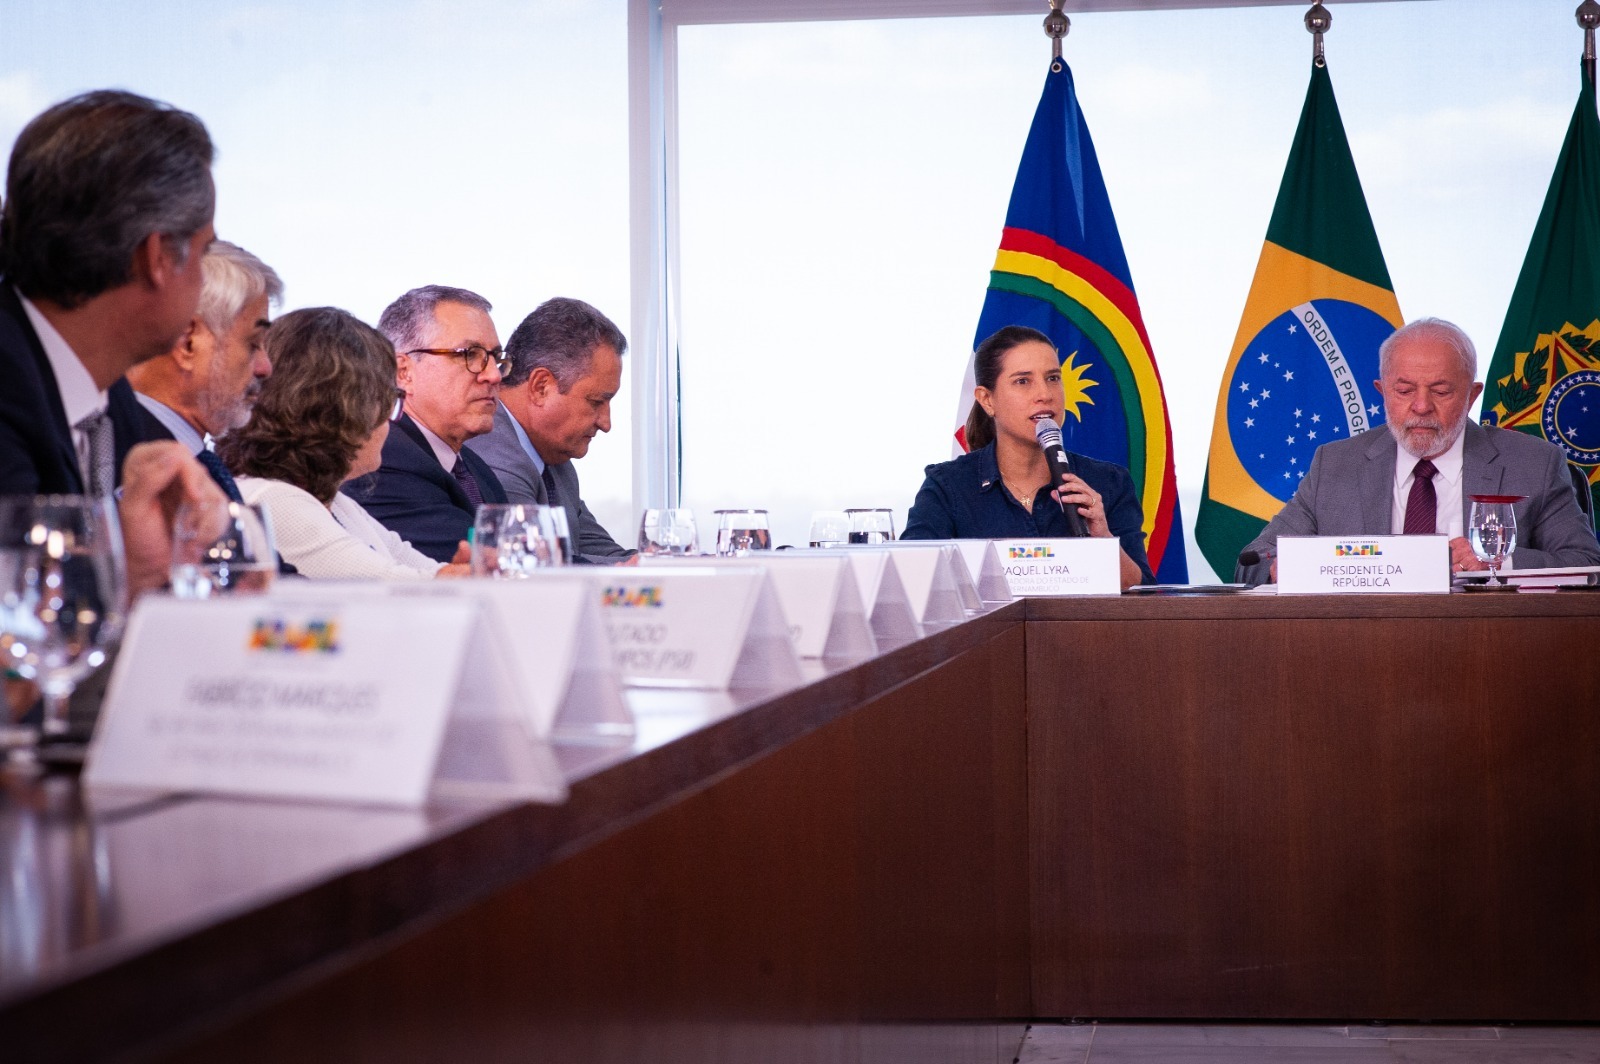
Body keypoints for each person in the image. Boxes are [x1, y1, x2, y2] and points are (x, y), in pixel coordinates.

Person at [0, 89, 222, 596]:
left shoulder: (110, 395)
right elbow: (21, 616)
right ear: (158, 257)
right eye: (204, 251)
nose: (203, 281)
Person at [1236, 317, 1600, 584]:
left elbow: (1587, 565)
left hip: (1485, 645)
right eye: (1404, 391)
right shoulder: (1334, 465)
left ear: (1472, 396)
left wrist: (1497, 561)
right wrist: (1289, 568)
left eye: (1441, 391)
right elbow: (1251, 563)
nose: (1421, 406)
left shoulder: (1534, 464)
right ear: (1382, 392)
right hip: (1362, 645)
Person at [218, 307, 468, 580]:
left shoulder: (337, 504)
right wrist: (462, 577)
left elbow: (427, 572)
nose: (389, 420)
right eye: (387, 400)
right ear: (346, 410)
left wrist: (459, 574)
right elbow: (393, 588)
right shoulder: (273, 499)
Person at [903, 325, 1153, 589]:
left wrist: (1102, 538)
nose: (1045, 394)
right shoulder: (948, 486)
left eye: (1053, 378)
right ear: (986, 399)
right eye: (1023, 381)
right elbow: (913, 581)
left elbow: (1141, 593)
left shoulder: (1109, 482)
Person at [464, 296, 635, 563]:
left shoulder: (555, 458)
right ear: (541, 386)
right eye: (596, 402)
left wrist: (669, 563)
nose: (606, 423)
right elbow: (533, 566)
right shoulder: (491, 454)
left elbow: (608, 556)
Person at [345, 285, 509, 562]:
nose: (494, 375)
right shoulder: (383, 461)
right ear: (403, 372)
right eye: (469, 354)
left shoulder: (475, 467)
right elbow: (492, 561)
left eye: (495, 358)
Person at [125, 241, 282, 500]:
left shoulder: (185, 459)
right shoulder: (124, 465)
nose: (266, 368)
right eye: (253, 343)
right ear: (188, 342)